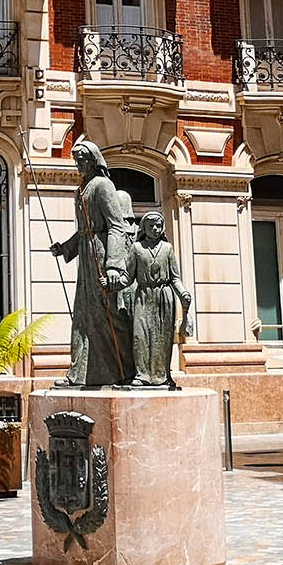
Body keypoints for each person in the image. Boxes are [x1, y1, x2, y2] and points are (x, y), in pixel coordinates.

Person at [50, 140, 137, 388]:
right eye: (76, 160)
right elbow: (84, 231)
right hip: (87, 256)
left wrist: (113, 265)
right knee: (83, 314)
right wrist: (66, 247)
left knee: (109, 313)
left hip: (101, 254)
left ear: (93, 160)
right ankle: (80, 374)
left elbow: (116, 227)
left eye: (82, 159)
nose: (78, 164)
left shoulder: (102, 185)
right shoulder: (82, 189)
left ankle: (127, 370)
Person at [128, 213, 193, 388]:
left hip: (164, 298)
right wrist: (110, 283)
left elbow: (175, 278)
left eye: (158, 226)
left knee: (161, 339)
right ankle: (142, 375)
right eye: (151, 226)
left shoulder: (167, 248)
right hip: (143, 296)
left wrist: (183, 294)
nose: (155, 229)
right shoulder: (136, 248)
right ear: (144, 228)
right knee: (140, 336)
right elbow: (127, 278)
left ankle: (162, 375)